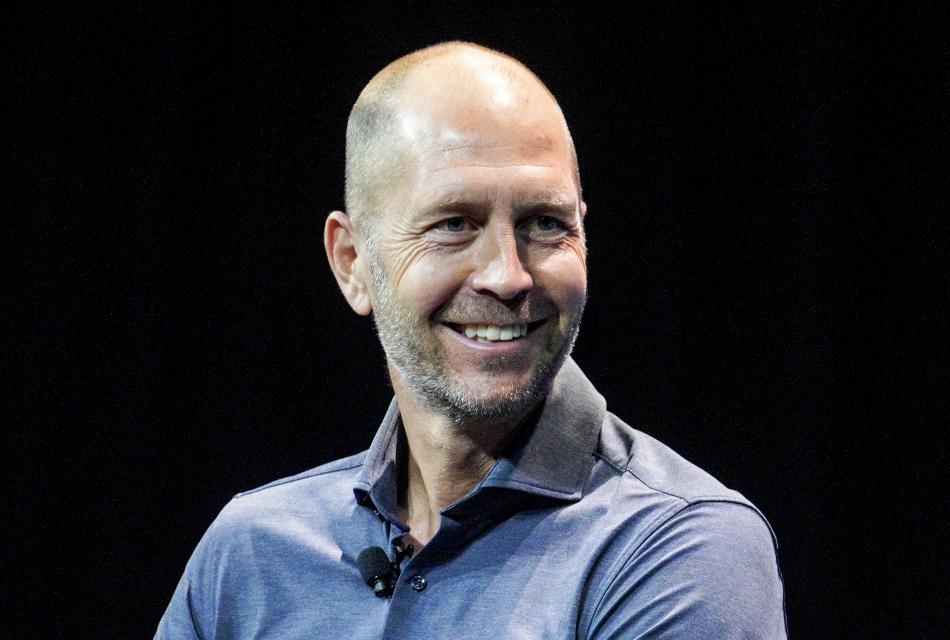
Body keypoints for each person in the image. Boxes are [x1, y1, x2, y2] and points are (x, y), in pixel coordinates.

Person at [157, 41, 787, 639]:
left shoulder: (677, 548)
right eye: (454, 224)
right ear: (351, 262)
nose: (508, 275)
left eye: (545, 223)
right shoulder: (248, 558)